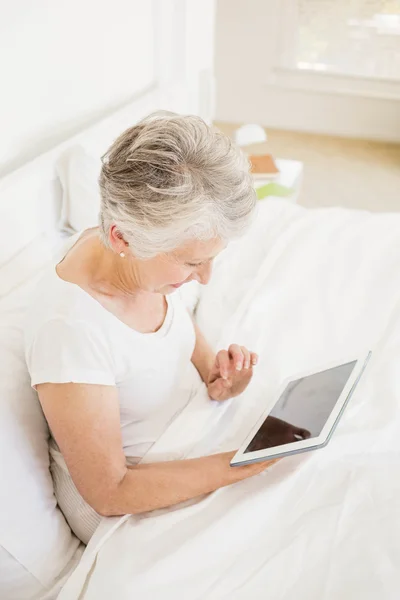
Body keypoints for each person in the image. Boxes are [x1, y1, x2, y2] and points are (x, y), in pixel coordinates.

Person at [24, 112, 277, 545]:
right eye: (193, 262)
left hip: (198, 443)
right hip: (136, 511)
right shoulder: (70, 332)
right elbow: (109, 491)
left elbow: (171, 334)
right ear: (123, 239)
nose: (205, 278)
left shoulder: (131, 253)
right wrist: (241, 465)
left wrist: (218, 377)